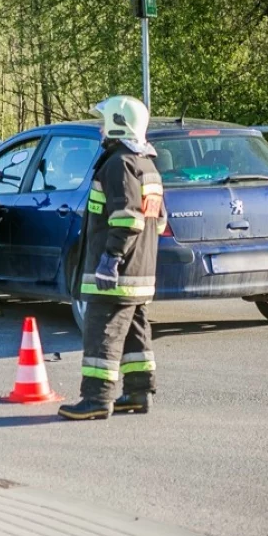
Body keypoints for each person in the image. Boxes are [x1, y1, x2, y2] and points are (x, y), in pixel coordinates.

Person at [58, 95, 167, 420]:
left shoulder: (119, 164)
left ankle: (96, 399)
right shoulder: (146, 164)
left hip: (117, 273)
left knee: (101, 330)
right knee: (135, 331)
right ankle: (138, 393)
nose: (101, 129)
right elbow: (159, 221)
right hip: (139, 272)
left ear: (120, 124)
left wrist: (111, 258)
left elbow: (127, 217)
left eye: (106, 122)